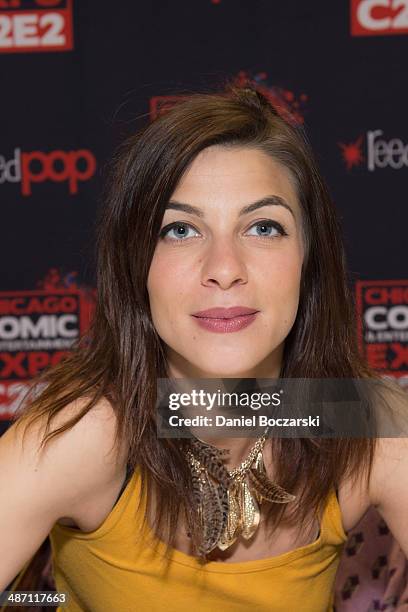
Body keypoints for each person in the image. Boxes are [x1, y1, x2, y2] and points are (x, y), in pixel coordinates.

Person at [0, 83, 407, 612]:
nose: (224, 269)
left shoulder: (364, 424)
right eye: (179, 230)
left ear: (310, 259)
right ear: (135, 265)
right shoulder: (85, 434)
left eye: (263, 227)